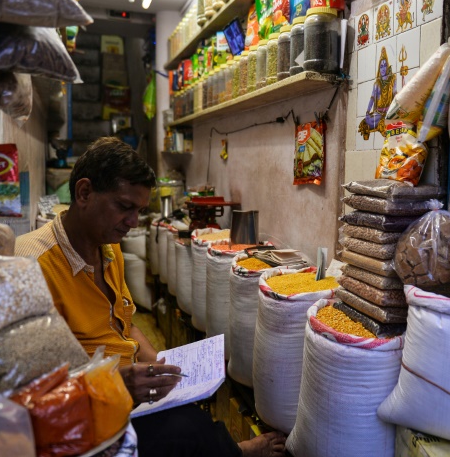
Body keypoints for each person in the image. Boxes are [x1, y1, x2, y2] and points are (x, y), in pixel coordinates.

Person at [16, 137, 285, 457]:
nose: (132, 222)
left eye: (140, 210)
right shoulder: (33, 266)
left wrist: (163, 368)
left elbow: (126, 327)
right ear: (84, 193)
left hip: (123, 391)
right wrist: (116, 384)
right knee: (186, 431)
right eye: (124, 207)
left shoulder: (107, 246)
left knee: (192, 416)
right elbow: (33, 389)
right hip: (82, 415)